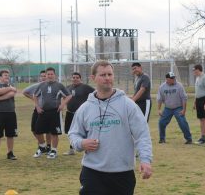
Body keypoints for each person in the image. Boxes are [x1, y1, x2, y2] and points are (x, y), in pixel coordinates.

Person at [68, 61, 152, 195]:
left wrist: (146, 160)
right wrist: (81, 143)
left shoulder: (128, 105)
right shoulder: (85, 108)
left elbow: (142, 134)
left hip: (122, 173)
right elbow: (73, 134)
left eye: (110, 74)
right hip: (92, 171)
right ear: (93, 78)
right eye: (102, 75)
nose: (107, 78)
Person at [33, 67, 72, 159]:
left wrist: (62, 105)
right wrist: (38, 107)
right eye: (48, 74)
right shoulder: (41, 85)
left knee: (54, 132)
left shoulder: (59, 85)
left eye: (51, 74)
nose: (50, 76)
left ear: (55, 75)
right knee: (37, 130)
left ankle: (54, 150)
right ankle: (42, 147)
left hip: (55, 111)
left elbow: (69, 95)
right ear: (45, 75)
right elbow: (35, 95)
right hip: (43, 111)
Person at [63, 72, 94, 155]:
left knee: (84, 130)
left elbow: (95, 94)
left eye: (77, 77)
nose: (75, 79)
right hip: (70, 113)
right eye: (73, 77)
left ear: (80, 79)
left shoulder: (86, 87)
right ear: (71, 78)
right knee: (70, 131)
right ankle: (71, 149)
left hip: (81, 114)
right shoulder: (68, 87)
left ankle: (88, 147)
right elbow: (64, 96)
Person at [157, 72, 192, 144]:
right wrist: (159, 109)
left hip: (178, 108)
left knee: (182, 122)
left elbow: (184, 98)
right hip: (168, 108)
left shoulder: (179, 86)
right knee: (161, 122)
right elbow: (159, 99)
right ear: (167, 79)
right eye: (171, 78)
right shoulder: (162, 87)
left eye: (174, 78)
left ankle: (189, 139)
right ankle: (162, 139)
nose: (173, 79)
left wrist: (184, 110)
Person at [22, 70, 51, 156]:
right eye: (41, 76)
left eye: (44, 76)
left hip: (48, 110)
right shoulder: (36, 86)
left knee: (48, 130)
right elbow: (24, 92)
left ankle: (48, 147)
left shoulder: (51, 86)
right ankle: (42, 145)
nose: (43, 78)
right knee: (34, 129)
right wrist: (33, 99)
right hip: (37, 110)